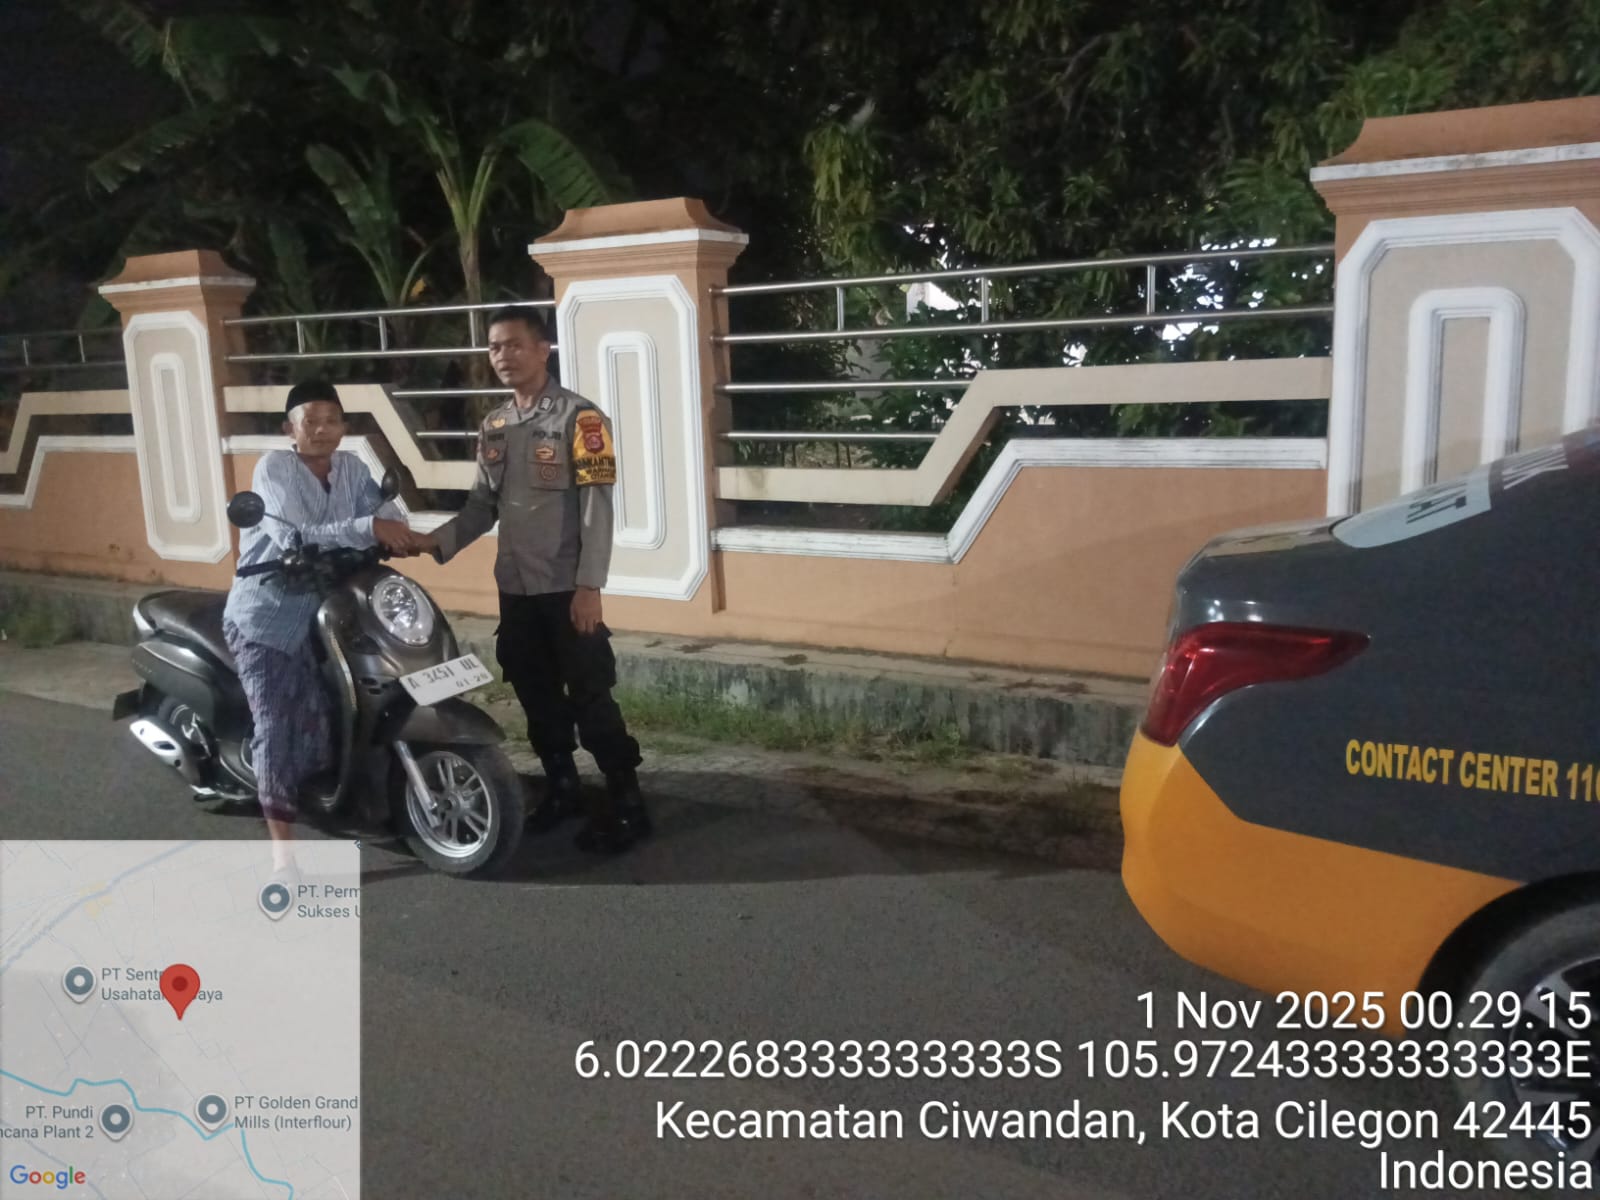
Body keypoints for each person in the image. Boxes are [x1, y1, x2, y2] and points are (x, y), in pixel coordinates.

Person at [417, 306, 650, 854]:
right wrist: (434, 542)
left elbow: (596, 508)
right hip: (517, 589)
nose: (503, 356)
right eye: (495, 347)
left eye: (515, 344)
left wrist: (590, 587)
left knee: (591, 697)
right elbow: (481, 507)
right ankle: (563, 788)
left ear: (543, 350)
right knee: (535, 695)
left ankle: (628, 804)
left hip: (567, 590)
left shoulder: (581, 419)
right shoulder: (495, 426)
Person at [223, 379, 425, 870]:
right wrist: (369, 528)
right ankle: (282, 851)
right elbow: (296, 534)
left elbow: (380, 507)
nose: (321, 429)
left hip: (329, 610)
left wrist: (395, 527)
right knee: (276, 726)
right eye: (310, 421)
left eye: (331, 420)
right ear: (288, 428)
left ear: (344, 426)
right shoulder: (274, 468)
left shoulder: (353, 467)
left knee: (336, 709)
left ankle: (354, 796)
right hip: (268, 618)